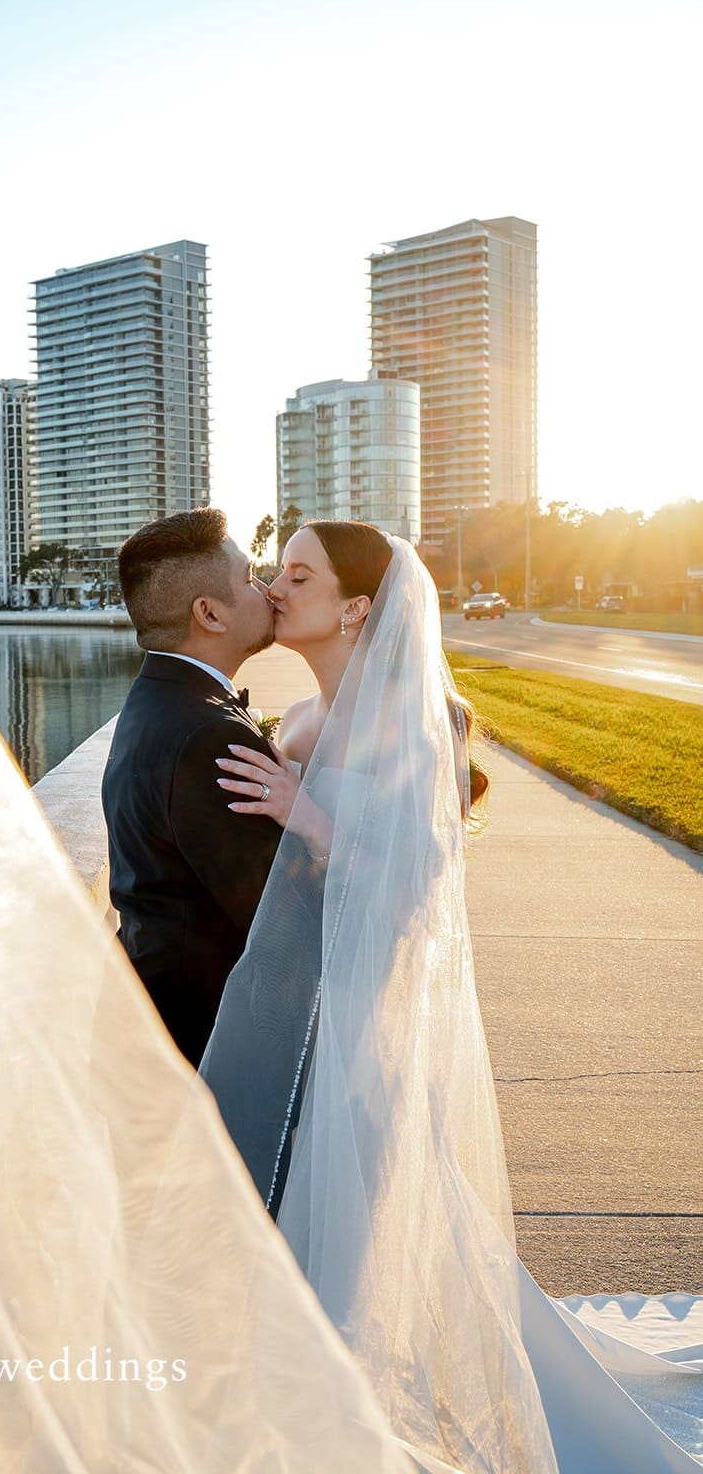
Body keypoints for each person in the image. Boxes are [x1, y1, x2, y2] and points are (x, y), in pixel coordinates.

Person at [199, 520, 703, 1474]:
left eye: (295, 574)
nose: (273, 585)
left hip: (369, 1017)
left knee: (364, 1219)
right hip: (302, 1012)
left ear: (356, 606)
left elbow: (415, 882)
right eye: (274, 568)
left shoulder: (423, 716)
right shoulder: (299, 726)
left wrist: (299, 812)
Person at [100, 507, 284, 1068]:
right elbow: (278, 916)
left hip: (147, 1031)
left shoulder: (154, 701)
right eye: (252, 579)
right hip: (200, 1053)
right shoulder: (210, 736)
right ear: (209, 614)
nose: (268, 592)